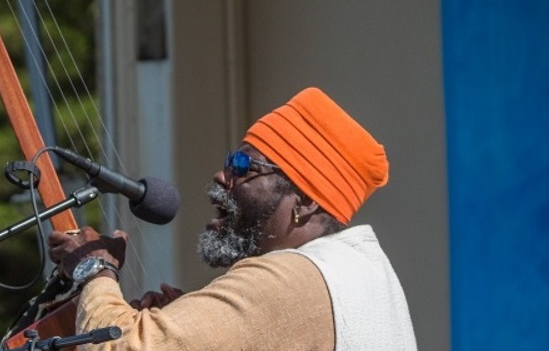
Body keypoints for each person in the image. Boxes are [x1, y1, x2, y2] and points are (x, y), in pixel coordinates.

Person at [48, 87, 417, 350]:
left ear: (304, 201)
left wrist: (94, 268)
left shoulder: (288, 280)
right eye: (229, 161)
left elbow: (121, 348)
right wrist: (189, 327)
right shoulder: (360, 273)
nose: (222, 176)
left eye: (243, 166)